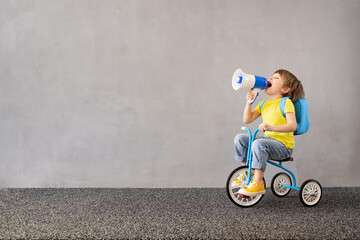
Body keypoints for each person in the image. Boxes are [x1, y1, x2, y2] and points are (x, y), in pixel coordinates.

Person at [234, 69, 305, 196]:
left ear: (285, 89)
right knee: (240, 139)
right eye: (270, 77)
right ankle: (247, 173)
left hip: (283, 146)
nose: (270, 79)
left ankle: (258, 182)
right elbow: (247, 119)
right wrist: (249, 103)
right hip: (268, 143)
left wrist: (271, 128)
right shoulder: (263, 103)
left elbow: (292, 125)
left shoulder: (285, 102)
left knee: (258, 143)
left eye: (275, 78)